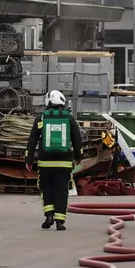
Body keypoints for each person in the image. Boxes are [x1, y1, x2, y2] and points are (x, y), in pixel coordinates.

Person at [25, 90, 84, 230]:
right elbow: (77, 139)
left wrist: (28, 159)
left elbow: (32, 140)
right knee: (61, 190)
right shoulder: (69, 118)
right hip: (64, 163)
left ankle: (49, 216)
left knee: (46, 189)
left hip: (45, 163)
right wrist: (79, 156)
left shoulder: (41, 118)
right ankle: (59, 221)